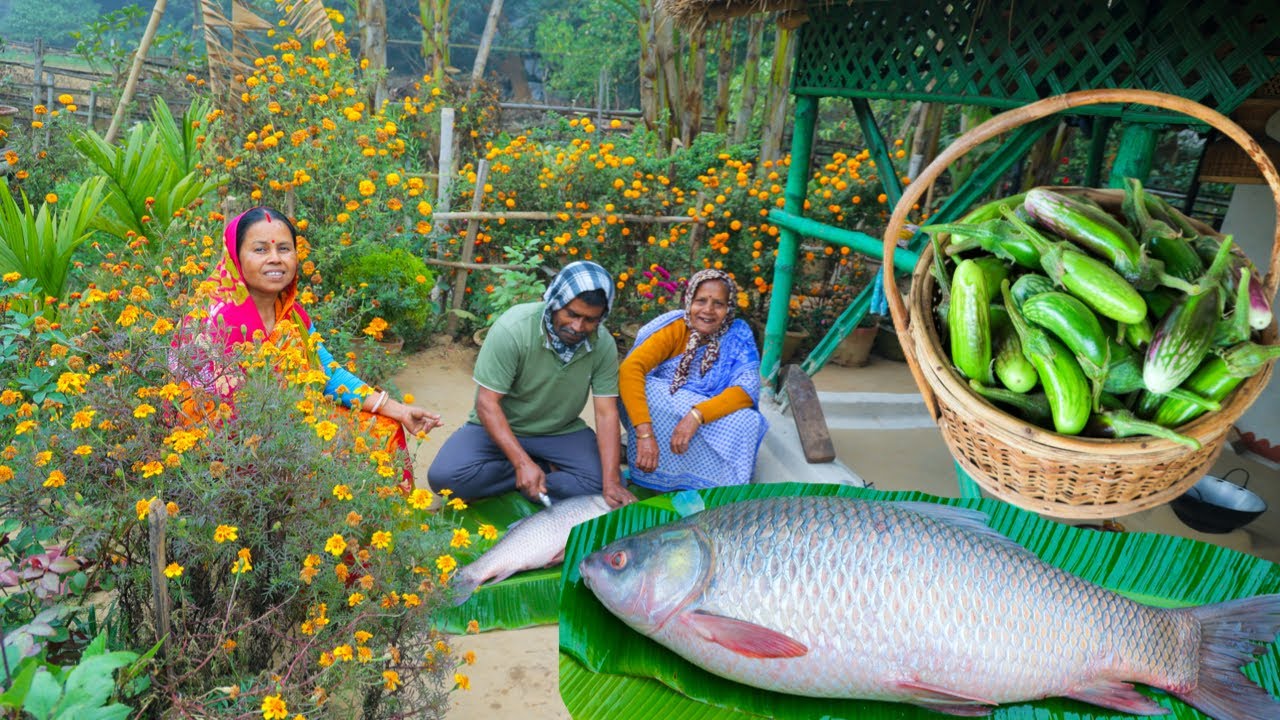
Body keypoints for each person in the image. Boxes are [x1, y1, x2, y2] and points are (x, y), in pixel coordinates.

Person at [173, 207, 443, 488]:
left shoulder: (292, 316)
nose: (275, 259)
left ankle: (366, 530)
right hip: (228, 446)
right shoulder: (210, 320)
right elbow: (201, 409)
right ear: (235, 257)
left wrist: (398, 410)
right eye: (260, 249)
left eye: (284, 249)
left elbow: (326, 372)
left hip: (292, 424)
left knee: (382, 431)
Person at [427, 261, 637, 508]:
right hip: (500, 426)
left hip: (561, 431)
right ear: (555, 302)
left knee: (606, 484)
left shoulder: (602, 345)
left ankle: (532, 473)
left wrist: (611, 480)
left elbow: (606, 413)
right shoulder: (513, 329)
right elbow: (486, 404)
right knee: (445, 478)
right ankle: (537, 469)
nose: (578, 327)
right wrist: (521, 463)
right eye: (571, 314)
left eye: (590, 320)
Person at [618, 268, 768, 491]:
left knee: (748, 421)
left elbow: (747, 389)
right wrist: (644, 433)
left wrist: (697, 415)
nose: (708, 310)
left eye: (718, 303)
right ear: (688, 302)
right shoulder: (676, 327)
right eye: (701, 301)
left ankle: (719, 489)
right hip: (669, 410)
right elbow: (630, 369)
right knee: (648, 389)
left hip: (709, 413)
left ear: (729, 308)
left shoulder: (738, 335)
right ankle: (657, 475)